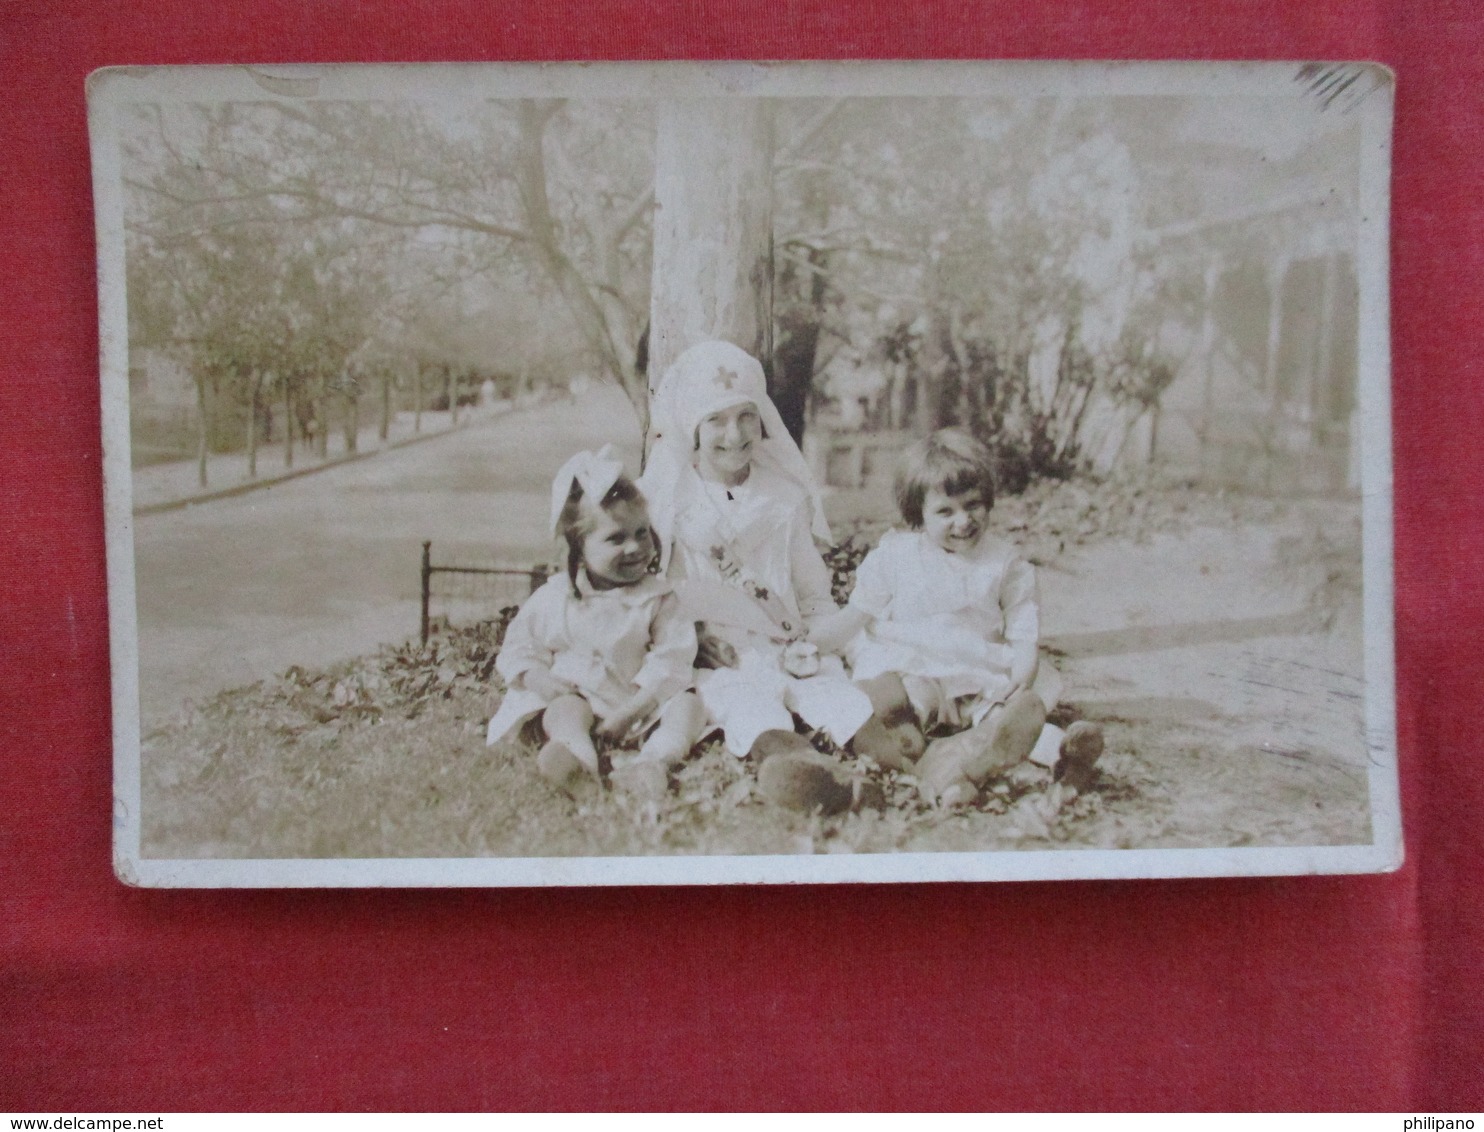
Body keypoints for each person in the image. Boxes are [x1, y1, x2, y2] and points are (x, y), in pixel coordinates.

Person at [639, 340, 876, 814]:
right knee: (753, 712)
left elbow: (812, 596)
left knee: (842, 701)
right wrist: (692, 635)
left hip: (788, 645)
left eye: (747, 415)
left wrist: (817, 643)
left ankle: (912, 762)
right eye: (716, 420)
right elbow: (656, 598)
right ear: (692, 428)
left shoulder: (784, 498)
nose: (735, 433)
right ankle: (812, 779)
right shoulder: (671, 508)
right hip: (721, 658)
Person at [814, 428, 1103, 807]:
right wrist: (811, 641)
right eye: (945, 512)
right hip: (913, 666)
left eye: (973, 505)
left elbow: (1022, 632)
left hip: (976, 671)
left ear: (988, 501)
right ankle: (904, 727)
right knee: (910, 694)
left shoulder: (1005, 564)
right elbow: (856, 615)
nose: (963, 521)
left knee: (1000, 717)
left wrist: (1020, 680)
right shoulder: (895, 557)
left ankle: (1066, 756)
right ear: (918, 513)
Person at [485, 446, 706, 799]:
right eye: (616, 538)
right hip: (580, 696)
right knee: (564, 712)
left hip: (641, 700)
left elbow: (673, 658)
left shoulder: (658, 597)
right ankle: (578, 760)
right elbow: (520, 646)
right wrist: (536, 677)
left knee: (688, 704)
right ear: (579, 549)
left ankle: (654, 763)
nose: (635, 548)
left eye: (642, 532)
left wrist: (638, 707)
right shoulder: (557, 597)